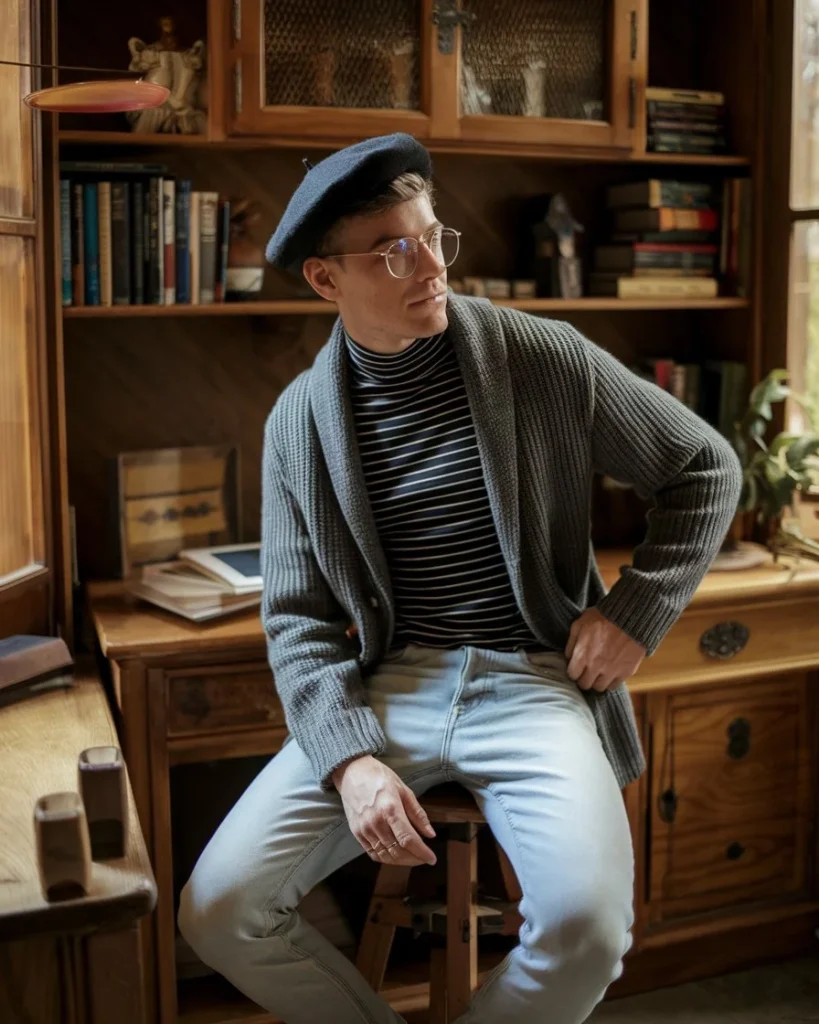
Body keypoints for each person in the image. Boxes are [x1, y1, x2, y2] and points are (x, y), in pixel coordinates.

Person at [178, 133, 742, 1023]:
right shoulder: (297, 425)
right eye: (394, 251)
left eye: (435, 235)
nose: (430, 264)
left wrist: (637, 608)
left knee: (589, 932)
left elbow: (704, 467)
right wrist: (349, 759)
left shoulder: (538, 357)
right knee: (217, 914)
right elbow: (297, 620)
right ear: (326, 281)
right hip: (386, 690)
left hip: (536, 680)